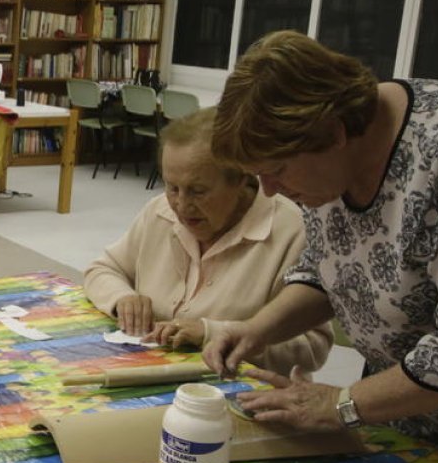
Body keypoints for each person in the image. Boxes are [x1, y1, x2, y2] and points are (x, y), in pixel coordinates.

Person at [202, 30, 438, 463]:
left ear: (334, 132)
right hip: (404, 416)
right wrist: (257, 329)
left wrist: (340, 404)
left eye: (277, 170)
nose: (270, 190)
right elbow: (331, 270)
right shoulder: (329, 165)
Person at [84, 107, 329, 375]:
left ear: (241, 179)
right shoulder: (159, 212)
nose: (181, 205)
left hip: (236, 394)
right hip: (152, 378)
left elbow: (312, 347)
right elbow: (102, 270)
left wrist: (212, 333)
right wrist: (123, 298)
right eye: (172, 187)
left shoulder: (290, 232)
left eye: (198, 191)